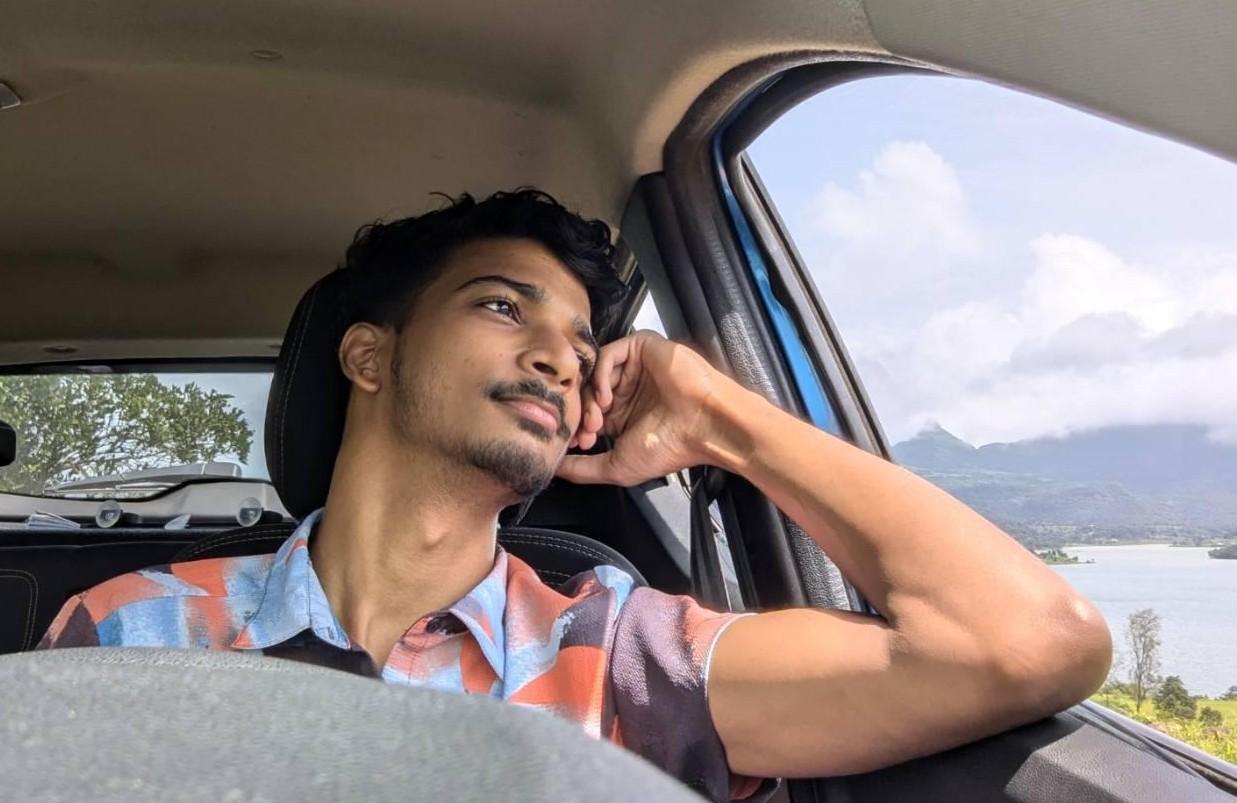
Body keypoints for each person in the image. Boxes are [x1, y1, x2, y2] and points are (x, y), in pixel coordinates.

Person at [38, 189, 1112, 800]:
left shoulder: (626, 658)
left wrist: (716, 412)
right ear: (369, 357)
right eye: (506, 307)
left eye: (580, 338)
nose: (560, 355)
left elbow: (1030, 641)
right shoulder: (127, 625)